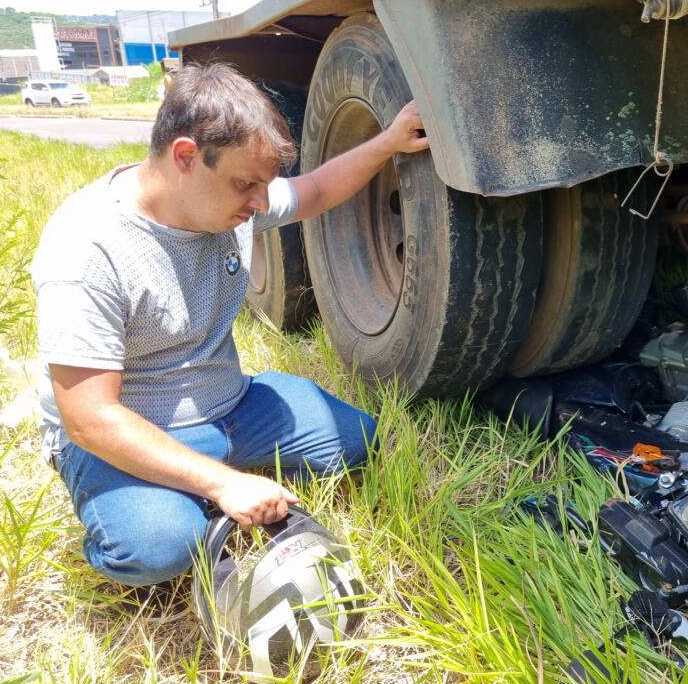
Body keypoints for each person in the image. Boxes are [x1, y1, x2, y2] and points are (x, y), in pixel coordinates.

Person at [31, 63, 429, 589]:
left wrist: (387, 142)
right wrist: (223, 484)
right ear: (185, 157)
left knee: (356, 439)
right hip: (124, 430)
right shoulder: (87, 248)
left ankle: (198, 476)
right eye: (247, 184)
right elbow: (90, 418)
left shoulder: (221, 203)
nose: (261, 202)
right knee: (159, 549)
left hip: (231, 407)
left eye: (263, 185)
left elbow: (315, 192)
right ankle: (148, 502)